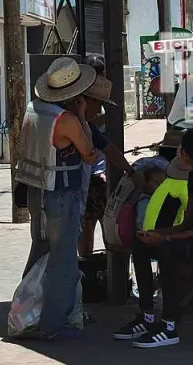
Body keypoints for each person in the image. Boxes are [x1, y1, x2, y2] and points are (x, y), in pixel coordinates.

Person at [115, 126, 193, 349]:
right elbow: (189, 221)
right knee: (141, 247)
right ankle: (146, 315)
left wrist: (167, 240)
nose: (179, 153)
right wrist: (159, 234)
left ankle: (169, 325)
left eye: (182, 149)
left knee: (169, 251)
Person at [15, 57, 101, 340]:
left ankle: (27, 314)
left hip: (37, 191)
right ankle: (52, 325)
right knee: (63, 261)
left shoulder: (35, 110)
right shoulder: (67, 121)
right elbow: (89, 153)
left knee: (40, 251)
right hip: (61, 194)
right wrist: (83, 117)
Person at [78, 55, 137, 257]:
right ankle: (90, 270)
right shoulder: (76, 118)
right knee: (90, 224)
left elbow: (108, 146)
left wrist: (129, 170)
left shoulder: (88, 121)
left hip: (99, 175)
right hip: (87, 179)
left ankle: (101, 270)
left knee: (105, 223)